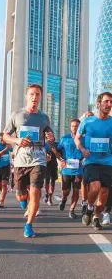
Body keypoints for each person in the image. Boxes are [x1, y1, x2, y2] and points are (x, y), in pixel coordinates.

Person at [3, 84, 55, 238]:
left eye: (38, 94)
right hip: (20, 160)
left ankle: (29, 225)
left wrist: (51, 138)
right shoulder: (17, 115)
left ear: (40, 97)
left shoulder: (44, 117)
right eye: (32, 94)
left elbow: (49, 136)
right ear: (27, 96)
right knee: (20, 194)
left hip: (38, 158)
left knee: (35, 192)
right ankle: (25, 203)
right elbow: (5, 136)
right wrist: (17, 140)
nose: (35, 97)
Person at [75, 92, 112, 230]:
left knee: (104, 193)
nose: (109, 105)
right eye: (106, 101)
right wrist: (82, 149)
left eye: (111, 102)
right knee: (95, 187)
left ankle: (96, 217)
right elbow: (77, 138)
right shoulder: (87, 121)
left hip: (108, 162)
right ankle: (89, 207)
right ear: (98, 104)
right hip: (91, 160)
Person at [55, 119, 84, 219]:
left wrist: (84, 158)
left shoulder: (84, 139)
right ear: (70, 127)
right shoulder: (64, 138)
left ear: (80, 127)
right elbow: (57, 151)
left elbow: (89, 151)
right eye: (72, 126)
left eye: (76, 126)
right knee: (66, 191)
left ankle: (72, 210)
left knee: (76, 190)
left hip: (79, 169)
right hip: (66, 169)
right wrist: (61, 160)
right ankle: (64, 198)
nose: (74, 128)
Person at [79, 111, 95, 215]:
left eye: (91, 117)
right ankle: (85, 202)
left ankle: (90, 203)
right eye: (87, 116)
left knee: (94, 184)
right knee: (84, 183)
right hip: (83, 161)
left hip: (95, 160)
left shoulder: (95, 131)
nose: (89, 118)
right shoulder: (80, 133)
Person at [0, 133, 13, 208]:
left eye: (3, 139)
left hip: (6, 166)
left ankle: (1, 201)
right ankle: (2, 193)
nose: (2, 141)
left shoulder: (8, 144)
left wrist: (11, 149)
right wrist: (6, 149)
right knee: (0, 184)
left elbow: (12, 151)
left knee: (4, 184)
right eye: (1, 139)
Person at [43, 142, 58, 206]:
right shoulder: (44, 144)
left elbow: (59, 155)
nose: (49, 135)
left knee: (53, 182)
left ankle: (50, 198)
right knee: (46, 181)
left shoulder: (57, 144)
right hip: (46, 165)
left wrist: (55, 152)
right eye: (47, 134)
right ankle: (46, 194)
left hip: (54, 165)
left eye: (50, 134)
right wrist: (46, 154)